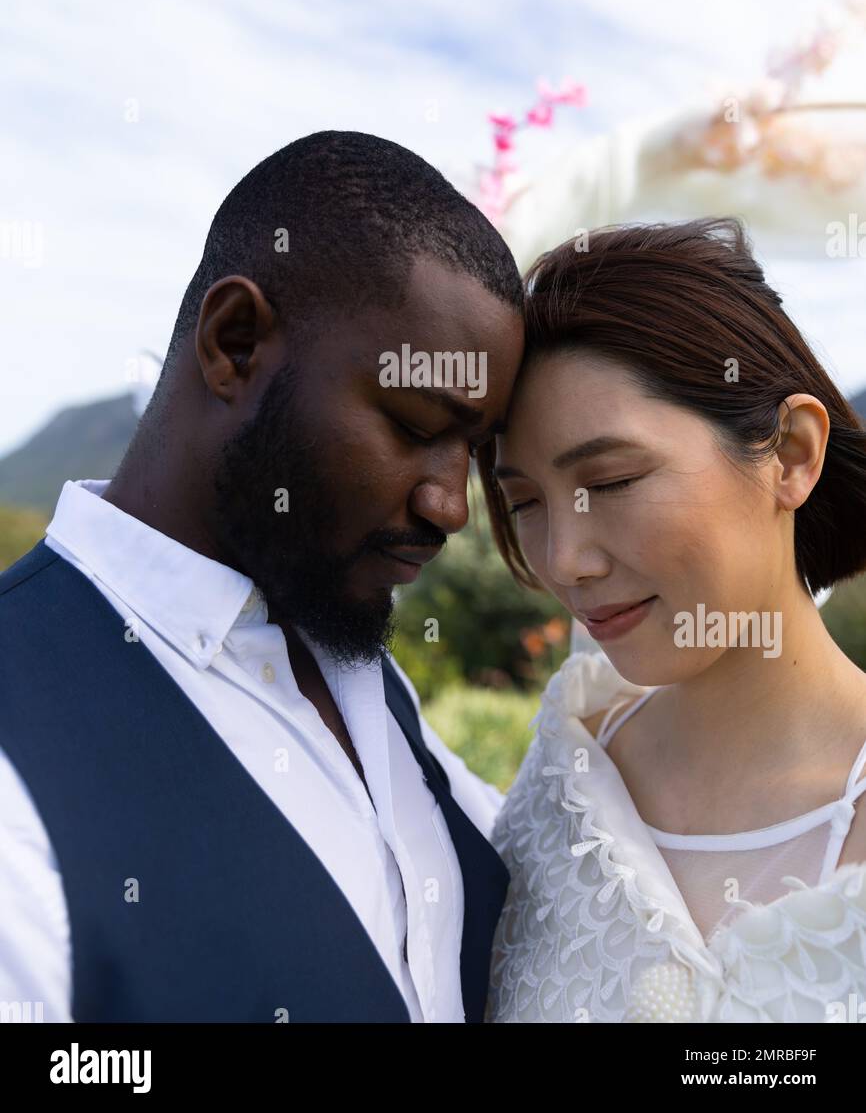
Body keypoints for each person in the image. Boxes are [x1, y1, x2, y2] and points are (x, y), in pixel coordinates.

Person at [0, 129, 525, 1023]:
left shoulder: (365, 674)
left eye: (472, 450)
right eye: (411, 425)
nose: (452, 506)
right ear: (234, 343)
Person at [478, 217, 866, 1022]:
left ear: (791, 454)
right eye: (525, 505)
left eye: (612, 481)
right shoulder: (557, 801)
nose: (565, 561)